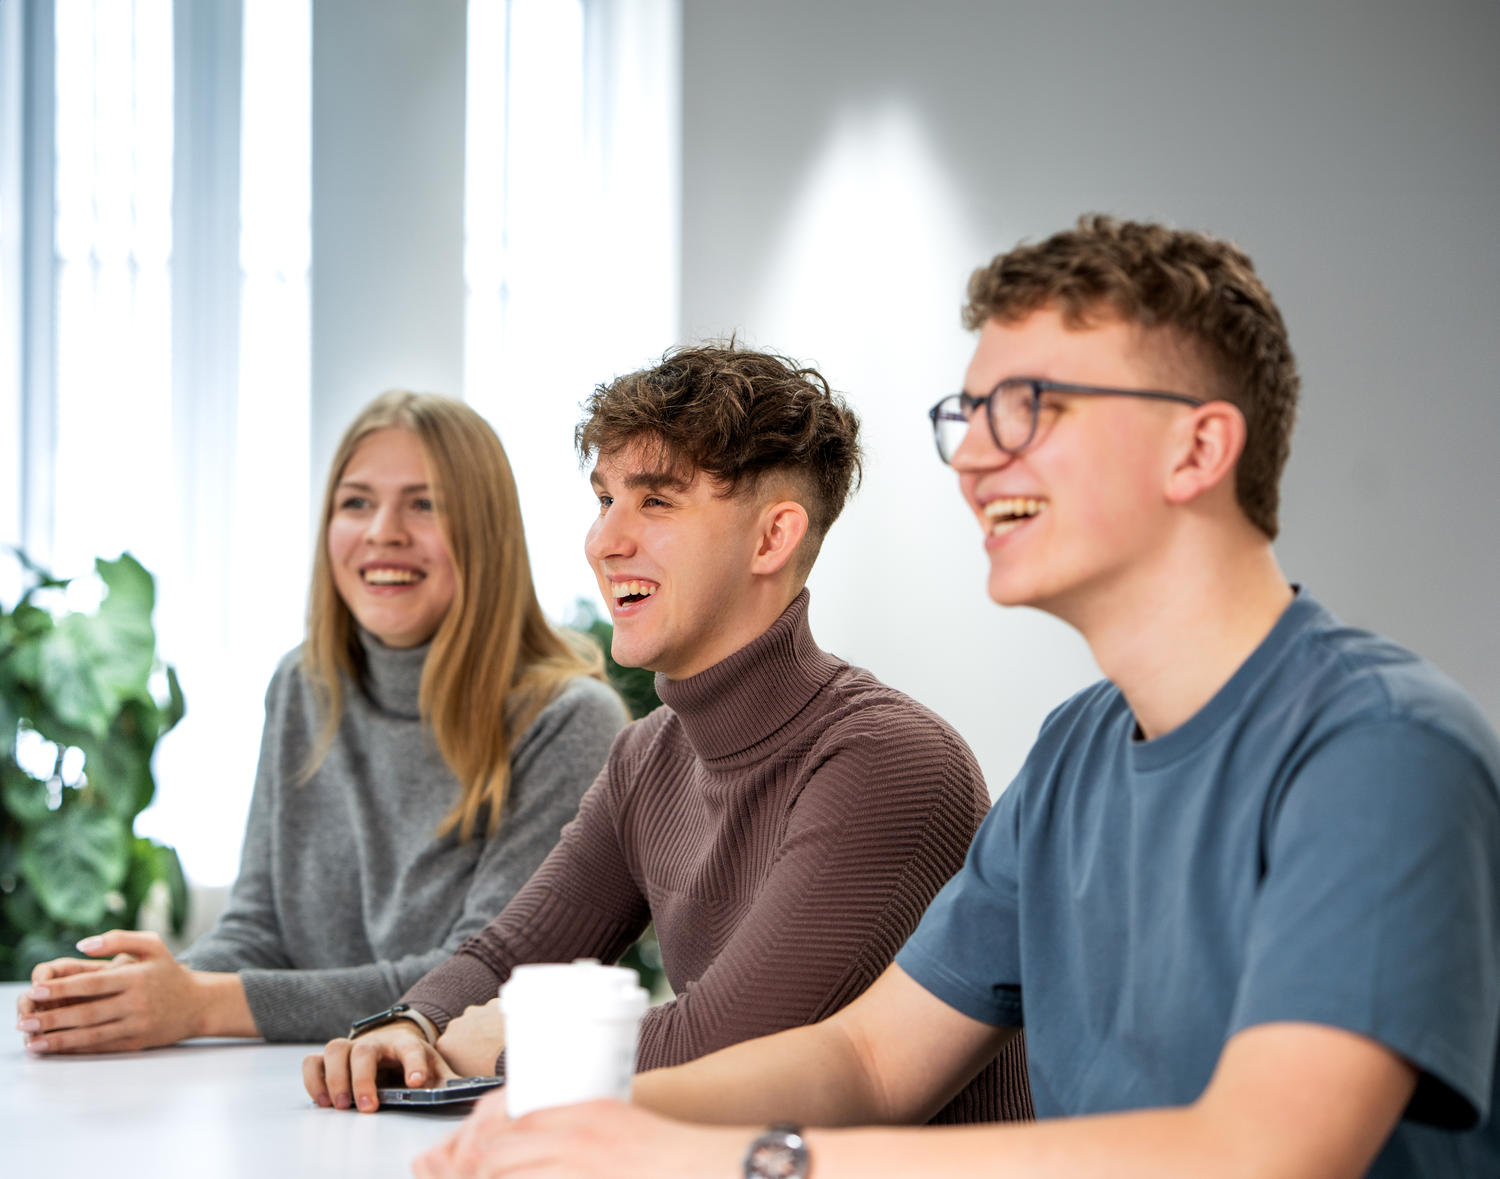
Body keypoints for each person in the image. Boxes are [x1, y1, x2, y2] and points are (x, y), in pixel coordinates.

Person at [411, 217, 1500, 1179]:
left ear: (1198, 448)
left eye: (1028, 408)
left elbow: (1262, 1154)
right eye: (968, 414)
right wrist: (586, 1116)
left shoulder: (1381, 749)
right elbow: (868, 1058)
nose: (972, 457)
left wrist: (744, 1156)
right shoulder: (1076, 752)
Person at [302, 345, 1034, 1124]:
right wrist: (410, 1025)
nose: (603, 540)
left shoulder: (888, 761)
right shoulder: (649, 754)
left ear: (772, 538)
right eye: (604, 498)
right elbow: (507, 954)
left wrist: (517, 1049)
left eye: (655, 501)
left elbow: (726, 1044)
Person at [15, 391, 627, 1052]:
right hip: (295, 1084)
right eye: (356, 502)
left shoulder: (569, 720)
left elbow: (480, 979)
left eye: (424, 504)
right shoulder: (304, 685)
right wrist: (139, 993)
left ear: (488, 532)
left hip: (452, 1097)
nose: (383, 531)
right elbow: (258, 931)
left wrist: (199, 1005)